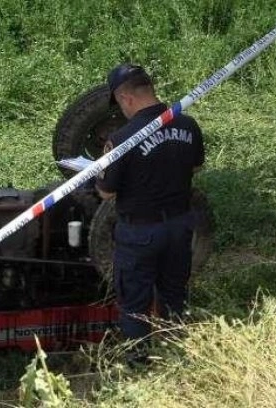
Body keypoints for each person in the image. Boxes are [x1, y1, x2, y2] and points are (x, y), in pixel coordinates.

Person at [95, 63, 205, 365]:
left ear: (125, 98)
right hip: (181, 226)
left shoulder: (121, 140)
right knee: (174, 294)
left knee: (135, 303)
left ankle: (139, 363)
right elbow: (195, 167)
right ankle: (176, 356)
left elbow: (105, 192)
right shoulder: (188, 125)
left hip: (140, 233)